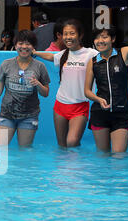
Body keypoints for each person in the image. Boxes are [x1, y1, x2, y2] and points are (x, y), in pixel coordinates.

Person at [33, 19, 98, 148]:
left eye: (72, 33)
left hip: (80, 107)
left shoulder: (91, 54)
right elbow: (51, 57)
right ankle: (64, 168)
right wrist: (34, 53)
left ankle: (76, 167)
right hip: (60, 106)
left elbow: (109, 56)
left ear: (80, 35)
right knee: (62, 146)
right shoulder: (63, 54)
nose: (68, 37)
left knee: (72, 142)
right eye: (65, 34)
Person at [0, 30, 50, 147]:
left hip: (29, 116)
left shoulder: (40, 66)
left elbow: (46, 93)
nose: (24, 47)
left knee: (25, 154)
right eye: (20, 43)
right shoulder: (6, 64)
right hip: (7, 114)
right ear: (15, 45)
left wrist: (38, 84)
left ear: (33, 47)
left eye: (28, 44)